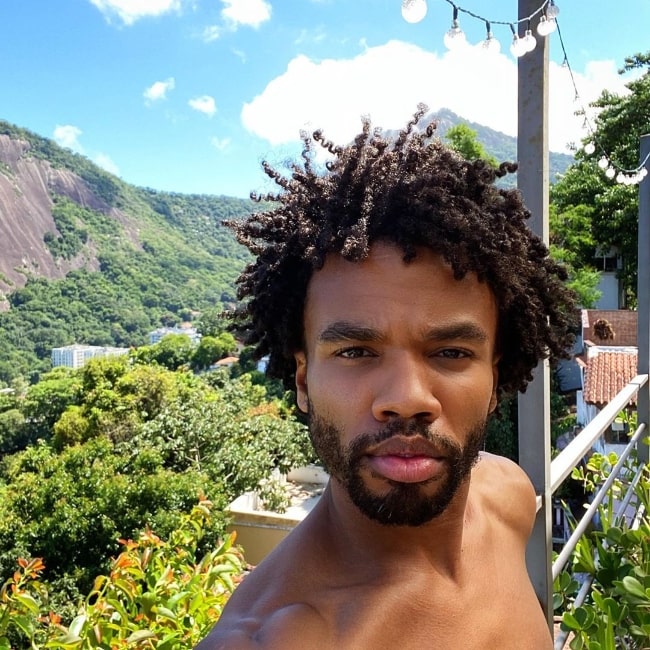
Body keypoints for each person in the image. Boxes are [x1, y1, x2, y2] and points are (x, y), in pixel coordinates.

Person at [196, 105, 576, 649]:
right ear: (302, 381)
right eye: (355, 351)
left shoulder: (508, 498)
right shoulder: (277, 638)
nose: (407, 399)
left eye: (449, 352)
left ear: (496, 378)